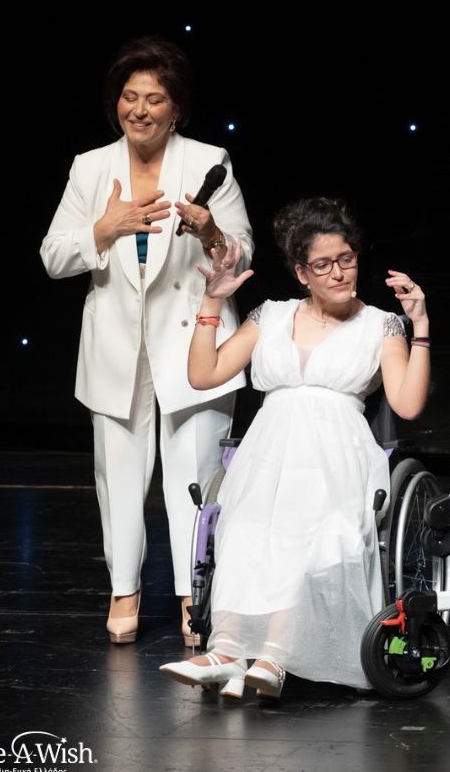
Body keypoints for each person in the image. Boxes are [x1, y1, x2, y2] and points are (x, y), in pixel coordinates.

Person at [159, 197, 430, 699]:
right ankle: (225, 650)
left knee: (314, 535)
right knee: (243, 529)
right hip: (269, 453)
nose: (338, 272)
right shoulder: (272, 315)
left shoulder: (380, 324)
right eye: (323, 265)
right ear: (302, 273)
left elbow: (408, 404)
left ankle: (274, 656)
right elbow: (203, 375)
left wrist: (422, 326)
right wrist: (212, 303)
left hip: (338, 457)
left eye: (346, 258)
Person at [40, 36, 253, 647]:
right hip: (116, 344)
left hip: (193, 343)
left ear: (176, 108)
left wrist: (211, 231)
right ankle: (124, 589)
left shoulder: (210, 162)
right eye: (129, 96)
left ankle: (194, 593)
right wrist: (103, 229)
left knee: (195, 474)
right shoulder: (89, 167)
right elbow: (53, 256)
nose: (140, 109)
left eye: (154, 98)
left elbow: (241, 255)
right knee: (119, 477)